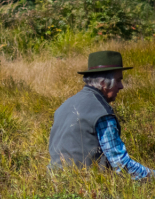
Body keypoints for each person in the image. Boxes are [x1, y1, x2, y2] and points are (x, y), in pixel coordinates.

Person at [49, 50, 154, 179]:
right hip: (85, 187)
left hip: (53, 181)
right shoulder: (102, 112)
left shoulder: (65, 105)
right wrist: (152, 175)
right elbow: (121, 165)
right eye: (118, 80)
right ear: (104, 83)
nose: (121, 86)